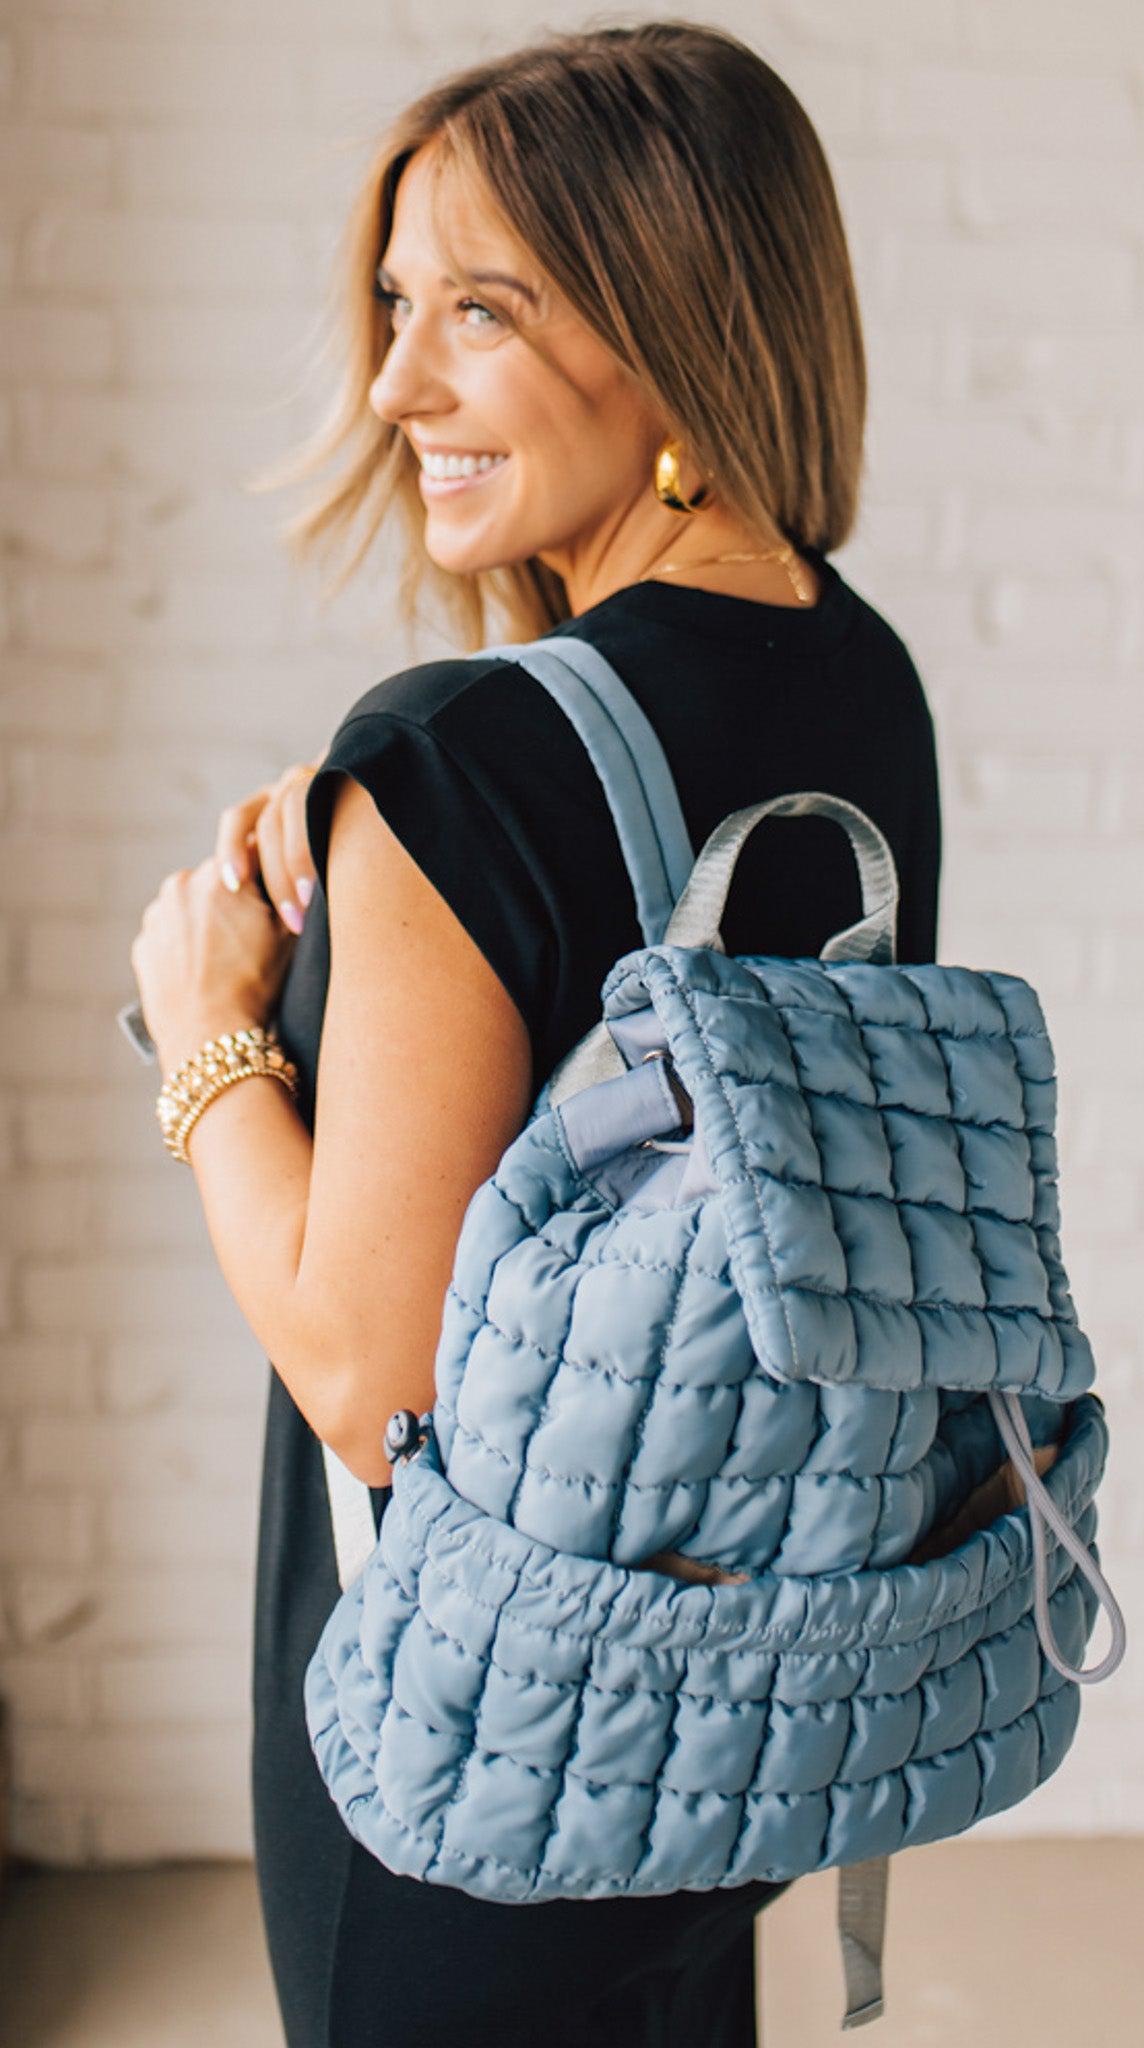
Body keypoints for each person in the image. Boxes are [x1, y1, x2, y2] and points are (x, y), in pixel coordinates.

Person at [129, 20, 941, 2046]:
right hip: (753, 1700)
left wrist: (209, 1025)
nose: (397, 381)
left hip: (478, 1767)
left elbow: (366, 1370)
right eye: (397, 305)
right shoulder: (858, 682)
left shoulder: (456, 761)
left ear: (666, 328)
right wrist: (374, 859)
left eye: (477, 311)